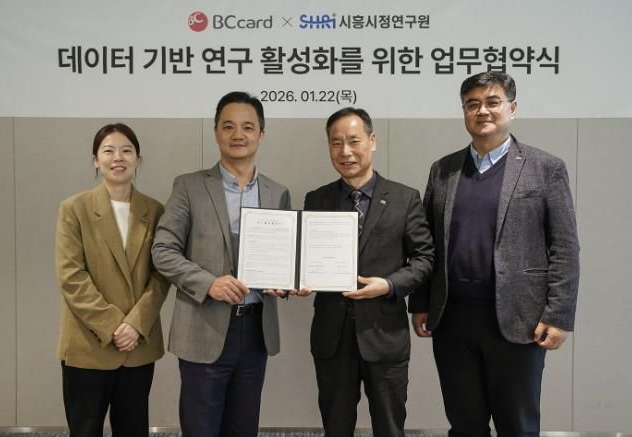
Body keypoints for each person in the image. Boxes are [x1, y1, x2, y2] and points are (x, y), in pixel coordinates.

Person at [409, 71, 580, 436]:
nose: (482, 111)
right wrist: (421, 302)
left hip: (519, 321)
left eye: (492, 102)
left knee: (517, 425)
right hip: (453, 320)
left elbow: (565, 245)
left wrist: (559, 314)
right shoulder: (443, 170)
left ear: (512, 108)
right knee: (464, 424)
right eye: (472, 104)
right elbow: (427, 244)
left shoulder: (545, 168)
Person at [151, 91, 291, 437]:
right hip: (203, 328)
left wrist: (288, 282)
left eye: (248, 127)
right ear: (216, 132)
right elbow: (163, 250)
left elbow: (284, 259)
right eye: (228, 126)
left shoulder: (277, 193)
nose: (238, 134)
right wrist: (208, 283)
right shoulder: (189, 186)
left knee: (243, 428)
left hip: (255, 331)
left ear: (261, 134)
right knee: (200, 428)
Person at [302, 107, 434, 437]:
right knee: (335, 427)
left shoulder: (404, 198)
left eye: (354, 141)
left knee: (390, 428)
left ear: (372, 141)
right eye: (336, 143)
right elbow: (306, 257)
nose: (345, 151)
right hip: (332, 336)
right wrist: (299, 278)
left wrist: (389, 285)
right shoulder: (317, 199)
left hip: (384, 334)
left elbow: (424, 259)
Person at [55, 123, 170, 437]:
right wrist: (113, 326)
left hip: (137, 345)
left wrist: (135, 324)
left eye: (126, 150)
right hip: (87, 345)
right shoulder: (74, 209)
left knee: (133, 429)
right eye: (108, 150)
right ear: (96, 160)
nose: (118, 157)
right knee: (85, 429)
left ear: (138, 160)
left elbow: (161, 275)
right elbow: (71, 277)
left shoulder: (155, 211)